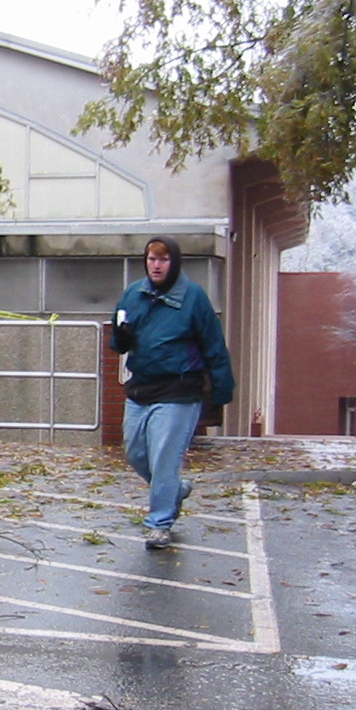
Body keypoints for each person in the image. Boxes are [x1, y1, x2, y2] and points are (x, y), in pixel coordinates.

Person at [109, 235, 234, 549]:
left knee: (164, 458)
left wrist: (221, 389)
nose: (156, 265)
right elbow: (118, 340)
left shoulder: (193, 297)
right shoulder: (134, 293)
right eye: (152, 259)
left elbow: (214, 345)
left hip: (179, 390)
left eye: (163, 260)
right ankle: (175, 491)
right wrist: (122, 338)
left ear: (174, 263)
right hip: (141, 387)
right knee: (136, 453)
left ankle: (159, 523)